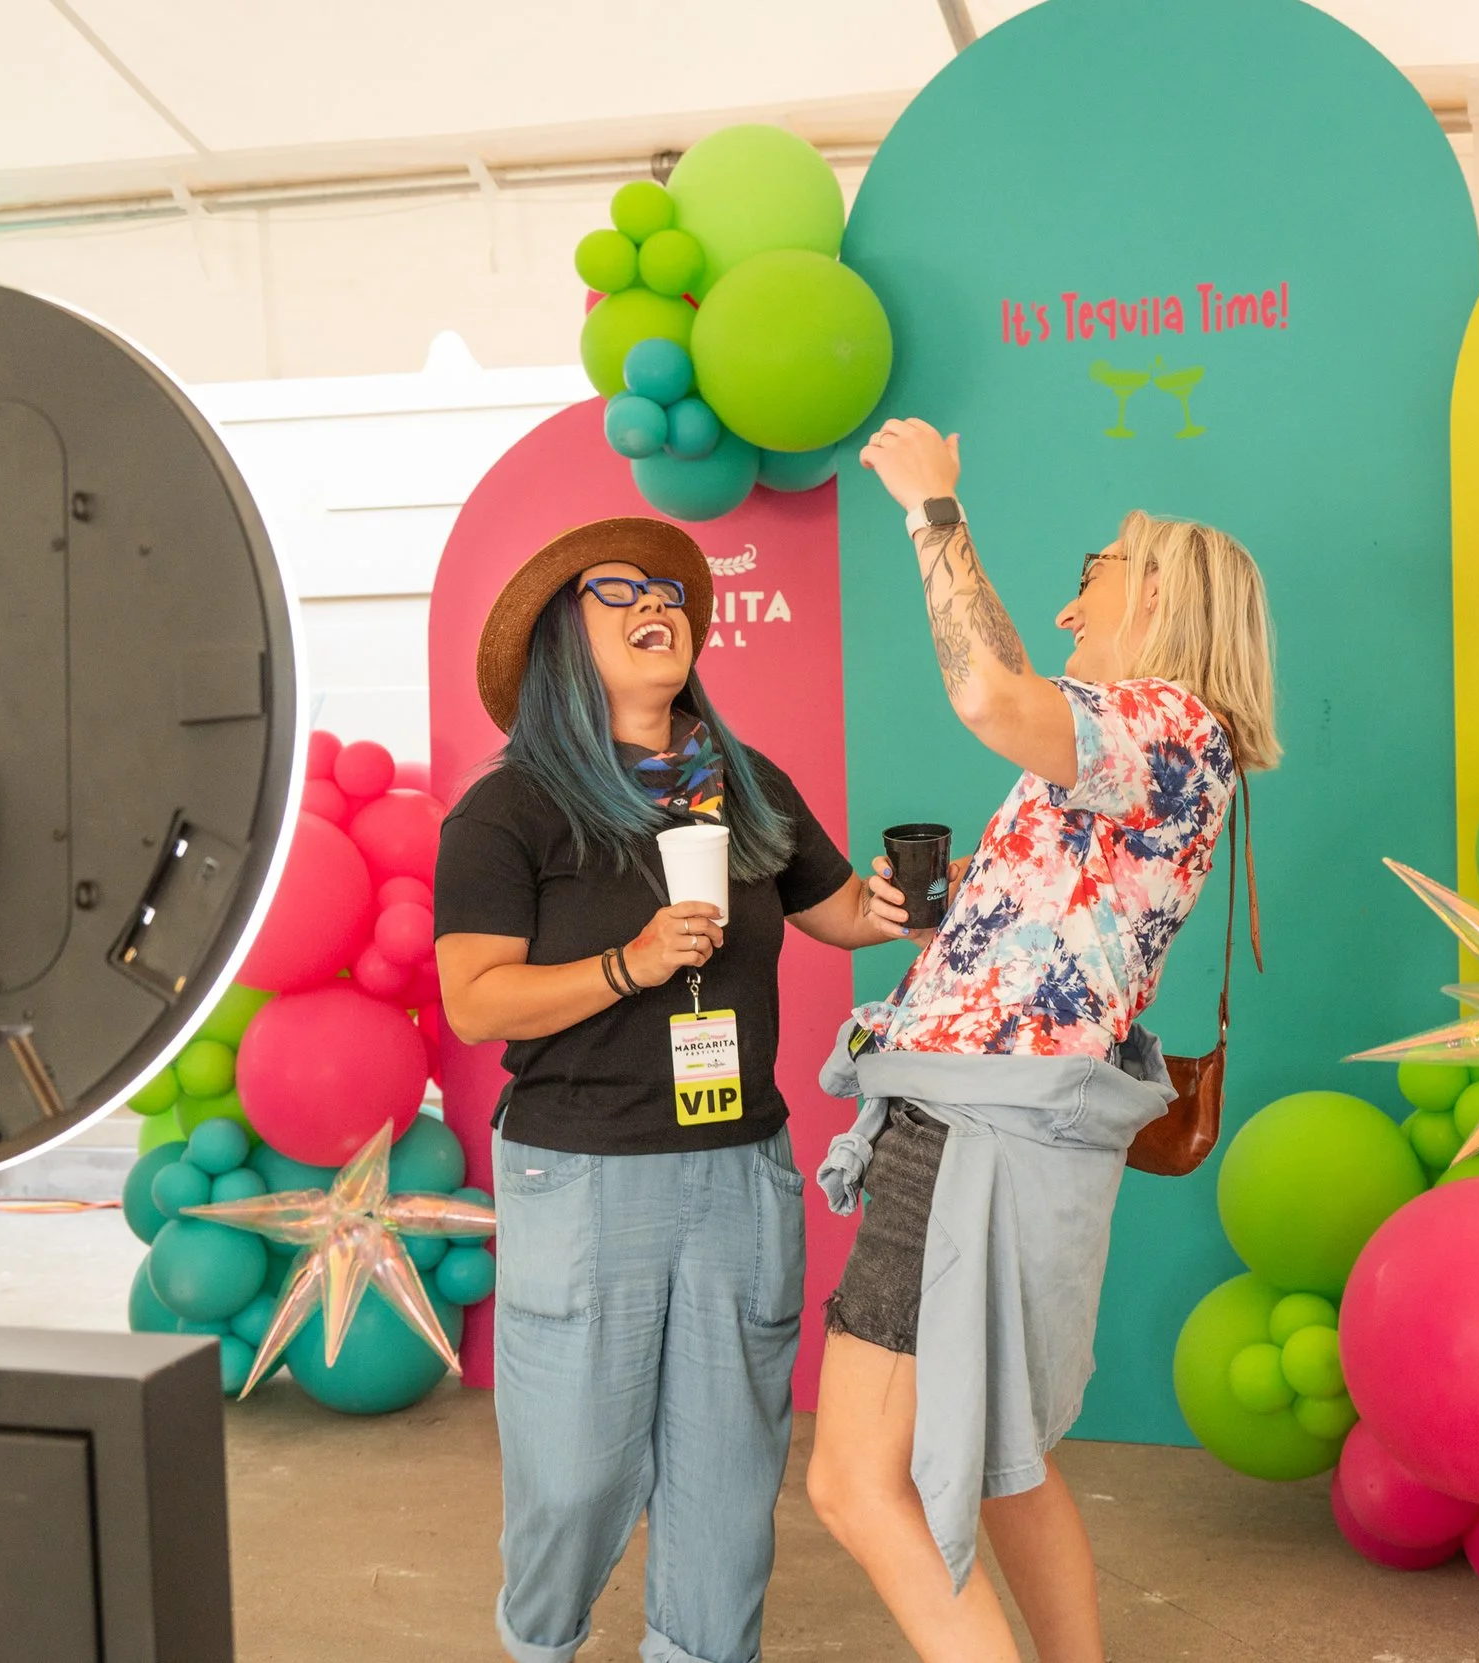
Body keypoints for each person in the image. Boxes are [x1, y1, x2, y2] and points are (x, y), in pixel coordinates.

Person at [805, 420, 1281, 1662]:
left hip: (975, 1127)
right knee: (1007, 1462)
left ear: (1162, 588)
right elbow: (1013, 686)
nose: (1071, 611)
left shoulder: (1166, 720)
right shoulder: (1149, 743)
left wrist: (931, 507)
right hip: (1012, 1119)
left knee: (857, 1484)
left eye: (1095, 572)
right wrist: (987, 896)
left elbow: (984, 690)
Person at [434, 516, 895, 1663]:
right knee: (577, 1471)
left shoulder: (739, 782)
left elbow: (837, 913)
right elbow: (476, 1001)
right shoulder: (513, 806)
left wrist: (907, 901)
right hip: (583, 1174)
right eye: (619, 590)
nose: (659, 603)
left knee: (730, 1477)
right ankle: (541, 1644)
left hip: (742, 1171)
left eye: (671, 591)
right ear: (558, 639)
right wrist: (627, 964)